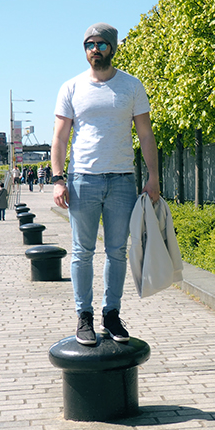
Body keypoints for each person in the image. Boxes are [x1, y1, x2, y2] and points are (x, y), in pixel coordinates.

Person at [52, 22, 160, 346]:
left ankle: (111, 314)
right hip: (82, 179)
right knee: (82, 252)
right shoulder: (71, 87)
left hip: (123, 180)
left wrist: (153, 176)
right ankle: (83, 316)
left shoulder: (131, 86)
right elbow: (59, 137)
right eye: (89, 44)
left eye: (101, 44)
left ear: (112, 47)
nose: (94, 49)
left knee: (117, 252)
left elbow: (145, 134)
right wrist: (58, 179)